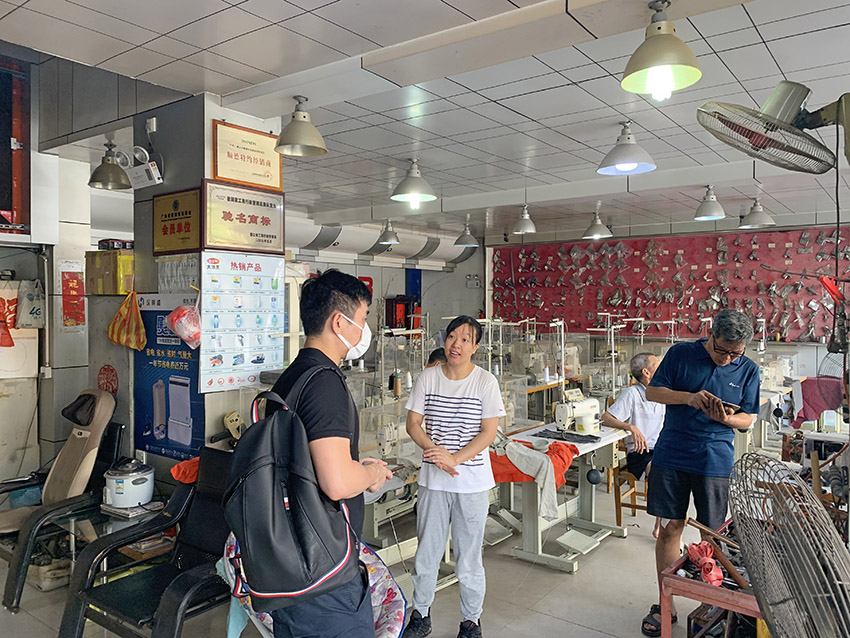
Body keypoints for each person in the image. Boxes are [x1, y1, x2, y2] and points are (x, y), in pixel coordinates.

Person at [268, 269, 393, 638]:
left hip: (291, 557)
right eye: (363, 319)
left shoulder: (292, 376)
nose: (364, 330)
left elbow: (307, 465)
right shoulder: (325, 383)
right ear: (339, 322)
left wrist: (355, 468)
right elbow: (336, 483)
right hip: (324, 566)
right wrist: (371, 474)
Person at [640, 309, 759, 637]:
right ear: (710, 335)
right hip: (673, 454)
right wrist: (689, 398)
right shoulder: (681, 354)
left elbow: (748, 418)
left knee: (712, 535)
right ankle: (665, 603)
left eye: (736, 353)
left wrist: (726, 419)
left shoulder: (748, 369)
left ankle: (712, 603)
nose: (727, 359)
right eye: (722, 350)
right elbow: (653, 392)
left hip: (715, 459)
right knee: (671, 529)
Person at [402, 316, 506, 638]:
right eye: (451, 337)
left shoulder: (485, 382)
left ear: (475, 347)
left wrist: (455, 459)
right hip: (433, 482)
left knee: (468, 559)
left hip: (472, 484)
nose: (456, 344)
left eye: (464, 339)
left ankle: (471, 621)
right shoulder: (428, 378)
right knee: (427, 553)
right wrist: (435, 452)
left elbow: (488, 432)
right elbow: (413, 423)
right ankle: (421, 615)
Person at [600, 352, 665, 538]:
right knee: (661, 471)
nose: (662, 367)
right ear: (646, 372)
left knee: (679, 469)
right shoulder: (632, 394)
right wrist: (630, 427)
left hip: (661, 449)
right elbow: (605, 418)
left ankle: (665, 524)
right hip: (640, 452)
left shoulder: (662, 393)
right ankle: (661, 525)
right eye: (657, 364)